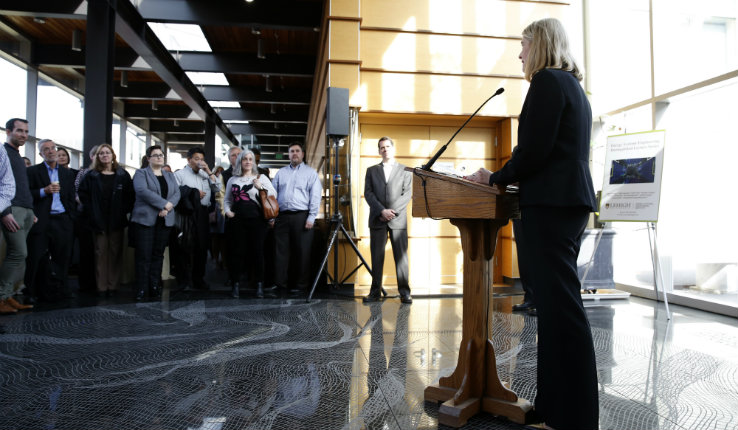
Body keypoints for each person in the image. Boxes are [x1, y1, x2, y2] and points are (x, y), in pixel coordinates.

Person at [465, 18, 599, 430]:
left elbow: (534, 151)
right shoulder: (573, 86)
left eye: (523, 45)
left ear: (539, 44)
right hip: (566, 201)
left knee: (562, 311)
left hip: (552, 204)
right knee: (555, 310)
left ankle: (575, 416)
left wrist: (494, 177)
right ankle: (553, 408)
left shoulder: (546, 82)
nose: (520, 53)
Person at [78, 144, 134, 297]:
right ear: (97, 157)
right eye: (101, 153)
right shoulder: (91, 175)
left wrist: (123, 210)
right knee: (100, 252)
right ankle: (102, 287)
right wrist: (91, 212)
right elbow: (83, 195)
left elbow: (130, 196)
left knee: (116, 252)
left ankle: (113, 285)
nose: (104, 155)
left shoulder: (122, 174)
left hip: (117, 219)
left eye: (107, 152)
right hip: (98, 220)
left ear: (113, 155)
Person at [25, 139, 76, 302]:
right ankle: (32, 292)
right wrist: (43, 191)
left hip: (62, 219)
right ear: (41, 153)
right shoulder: (32, 171)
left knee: (62, 257)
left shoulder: (67, 173)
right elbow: (27, 194)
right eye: (46, 149)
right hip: (41, 219)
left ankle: (61, 290)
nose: (51, 151)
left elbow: (70, 196)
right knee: (36, 256)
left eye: (53, 148)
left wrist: (70, 217)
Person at [363, 137, 413, 304]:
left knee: (401, 258)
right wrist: (381, 211)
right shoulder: (371, 171)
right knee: (376, 258)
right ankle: (375, 293)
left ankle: (405, 292)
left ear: (393, 148)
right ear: (379, 151)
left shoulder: (406, 170)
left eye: (387, 146)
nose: (385, 149)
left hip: (398, 220)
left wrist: (392, 212)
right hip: (377, 219)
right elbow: (368, 194)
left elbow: (407, 194)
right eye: (381, 147)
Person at [223, 150, 276, 298]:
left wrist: (260, 187)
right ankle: (236, 285)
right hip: (237, 221)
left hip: (257, 221)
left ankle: (259, 285)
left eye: (250, 159)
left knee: (257, 253)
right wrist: (227, 211)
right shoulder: (233, 180)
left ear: (253, 162)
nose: (247, 161)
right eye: (244, 159)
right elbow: (227, 200)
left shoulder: (261, 177)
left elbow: (273, 195)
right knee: (237, 253)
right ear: (240, 161)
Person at [130, 145, 180, 301]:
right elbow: (143, 191)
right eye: (155, 155)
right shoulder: (141, 173)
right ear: (148, 158)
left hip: (164, 219)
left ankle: (154, 286)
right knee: (144, 255)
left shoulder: (169, 175)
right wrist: (163, 204)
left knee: (158, 255)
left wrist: (168, 206)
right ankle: (142, 289)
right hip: (145, 220)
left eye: (161, 155)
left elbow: (177, 193)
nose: (159, 157)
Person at [271, 142, 321, 294]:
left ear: (302, 154)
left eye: (297, 151)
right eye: (291, 151)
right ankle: (281, 285)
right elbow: (272, 195)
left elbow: (315, 196)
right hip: (282, 217)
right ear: (288, 154)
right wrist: (272, 217)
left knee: (302, 252)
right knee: (281, 252)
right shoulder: (281, 173)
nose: (294, 153)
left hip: (302, 216)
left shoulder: (311, 173)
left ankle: (301, 286)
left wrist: (311, 217)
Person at [0, 118, 36, 314]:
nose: (23, 135)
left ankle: (8, 296)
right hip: (11, 210)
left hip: (26, 210)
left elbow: (21, 185)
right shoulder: (3, 152)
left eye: (26, 131)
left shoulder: (16, 155)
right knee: (18, 253)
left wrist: (32, 211)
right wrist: (4, 212)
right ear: (8, 131)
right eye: (19, 131)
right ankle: (1, 296)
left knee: (21, 256)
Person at [173, 146, 220, 291]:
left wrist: (208, 171)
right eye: (196, 159)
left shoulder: (204, 174)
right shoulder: (180, 174)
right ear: (189, 160)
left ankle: (198, 278)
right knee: (185, 247)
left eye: (201, 159)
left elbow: (217, 189)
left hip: (203, 214)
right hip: (186, 214)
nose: (199, 161)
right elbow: (175, 194)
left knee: (201, 246)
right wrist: (193, 194)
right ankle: (184, 280)